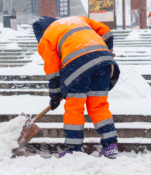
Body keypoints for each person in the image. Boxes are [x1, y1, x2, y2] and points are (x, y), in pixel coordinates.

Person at [32, 16, 120, 159]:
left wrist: (55, 96)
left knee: (74, 108)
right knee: (99, 106)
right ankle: (110, 145)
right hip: (104, 63)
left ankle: (73, 150)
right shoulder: (78, 19)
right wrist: (107, 51)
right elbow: (106, 32)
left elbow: (53, 71)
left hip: (77, 66)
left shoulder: (46, 38)